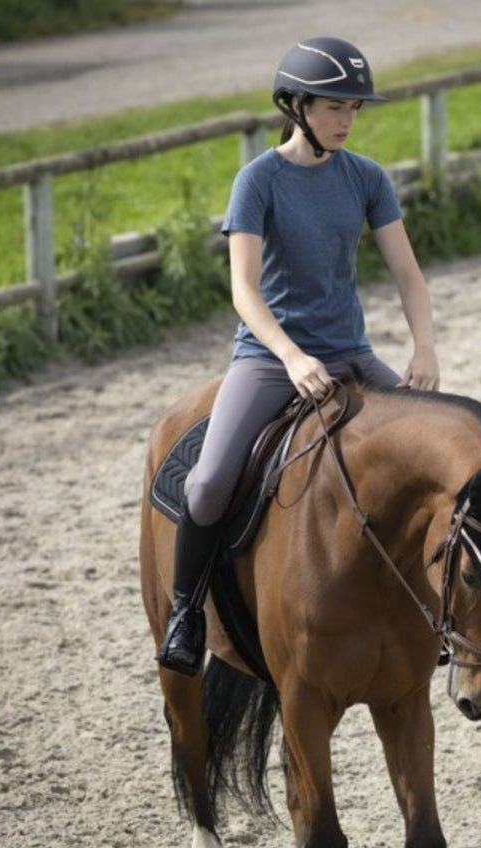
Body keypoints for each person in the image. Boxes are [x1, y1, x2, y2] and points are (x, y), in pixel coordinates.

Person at [158, 35, 441, 676]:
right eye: (335, 107)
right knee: (205, 483)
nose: (346, 120)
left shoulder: (366, 178)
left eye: (355, 109)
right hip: (267, 358)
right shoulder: (258, 181)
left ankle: (428, 609)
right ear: (296, 105)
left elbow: (408, 273)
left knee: (430, 455)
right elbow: (243, 290)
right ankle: (183, 613)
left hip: (350, 354)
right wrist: (288, 357)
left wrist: (424, 347)